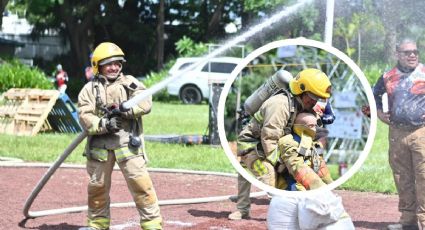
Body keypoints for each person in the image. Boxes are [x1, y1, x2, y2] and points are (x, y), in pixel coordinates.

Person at [78, 42, 162, 230]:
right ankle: (98, 224)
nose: (114, 67)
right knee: (97, 188)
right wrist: (104, 124)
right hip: (100, 147)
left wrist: (126, 110)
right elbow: (85, 115)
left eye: (117, 63)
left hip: (128, 145)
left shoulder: (130, 83)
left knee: (141, 185)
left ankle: (152, 224)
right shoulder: (89, 90)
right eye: (109, 63)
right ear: (97, 66)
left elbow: (146, 102)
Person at [228, 68, 332, 220]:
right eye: (312, 97)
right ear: (302, 91)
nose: (315, 101)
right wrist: (280, 164)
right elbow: (269, 137)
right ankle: (268, 213)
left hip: (272, 143)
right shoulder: (280, 104)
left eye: (318, 98)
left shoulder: (301, 103)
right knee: (267, 173)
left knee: (286, 174)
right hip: (250, 145)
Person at [373, 38, 425, 230]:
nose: (412, 55)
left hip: (421, 131)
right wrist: (378, 112)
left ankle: (424, 221)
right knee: (402, 177)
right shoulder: (388, 76)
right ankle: (408, 220)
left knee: (423, 176)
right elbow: (373, 95)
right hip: (396, 133)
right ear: (397, 54)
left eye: (415, 52)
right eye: (407, 52)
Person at [276, 112, 333, 191]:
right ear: (299, 126)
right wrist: (320, 189)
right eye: (311, 126)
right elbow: (297, 167)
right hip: (291, 185)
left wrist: (330, 185)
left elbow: (321, 166)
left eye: (315, 126)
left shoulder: (315, 144)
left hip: (309, 183)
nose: (314, 129)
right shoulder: (288, 141)